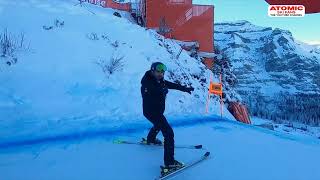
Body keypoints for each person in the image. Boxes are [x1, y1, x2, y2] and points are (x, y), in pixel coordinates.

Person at [140, 62, 194, 170]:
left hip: (157, 112)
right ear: (152, 71)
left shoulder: (159, 80)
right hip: (152, 112)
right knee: (168, 133)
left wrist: (184, 88)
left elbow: (169, 84)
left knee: (158, 125)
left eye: (162, 72)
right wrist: (160, 91)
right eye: (158, 71)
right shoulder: (147, 83)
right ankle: (169, 163)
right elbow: (150, 91)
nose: (160, 74)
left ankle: (151, 139)